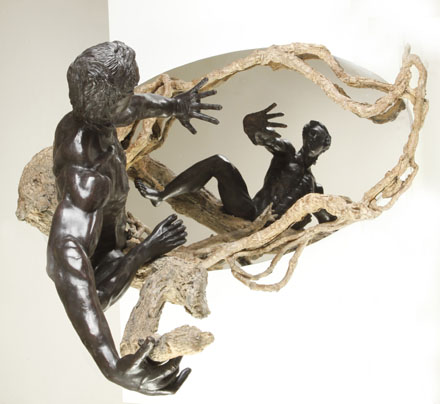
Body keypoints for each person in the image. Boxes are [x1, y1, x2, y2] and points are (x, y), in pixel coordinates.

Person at [46, 41, 221, 395]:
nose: (133, 99)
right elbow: (63, 260)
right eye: (127, 93)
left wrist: (176, 106)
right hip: (105, 268)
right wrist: (111, 366)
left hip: (107, 221)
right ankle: (140, 252)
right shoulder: (88, 181)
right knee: (98, 287)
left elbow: (135, 107)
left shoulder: (87, 116)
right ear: (109, 103)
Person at [135, 103, 336, 229]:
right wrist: (252, 123)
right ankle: (161, 195)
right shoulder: (287, 153)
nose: (312, 139)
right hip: (249, 212)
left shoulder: (313, 187)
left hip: (273, 231)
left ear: (324, 146)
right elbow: (259, 136)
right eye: (310, 134)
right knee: (219, 162)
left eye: (317, 137)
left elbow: (328, 222)